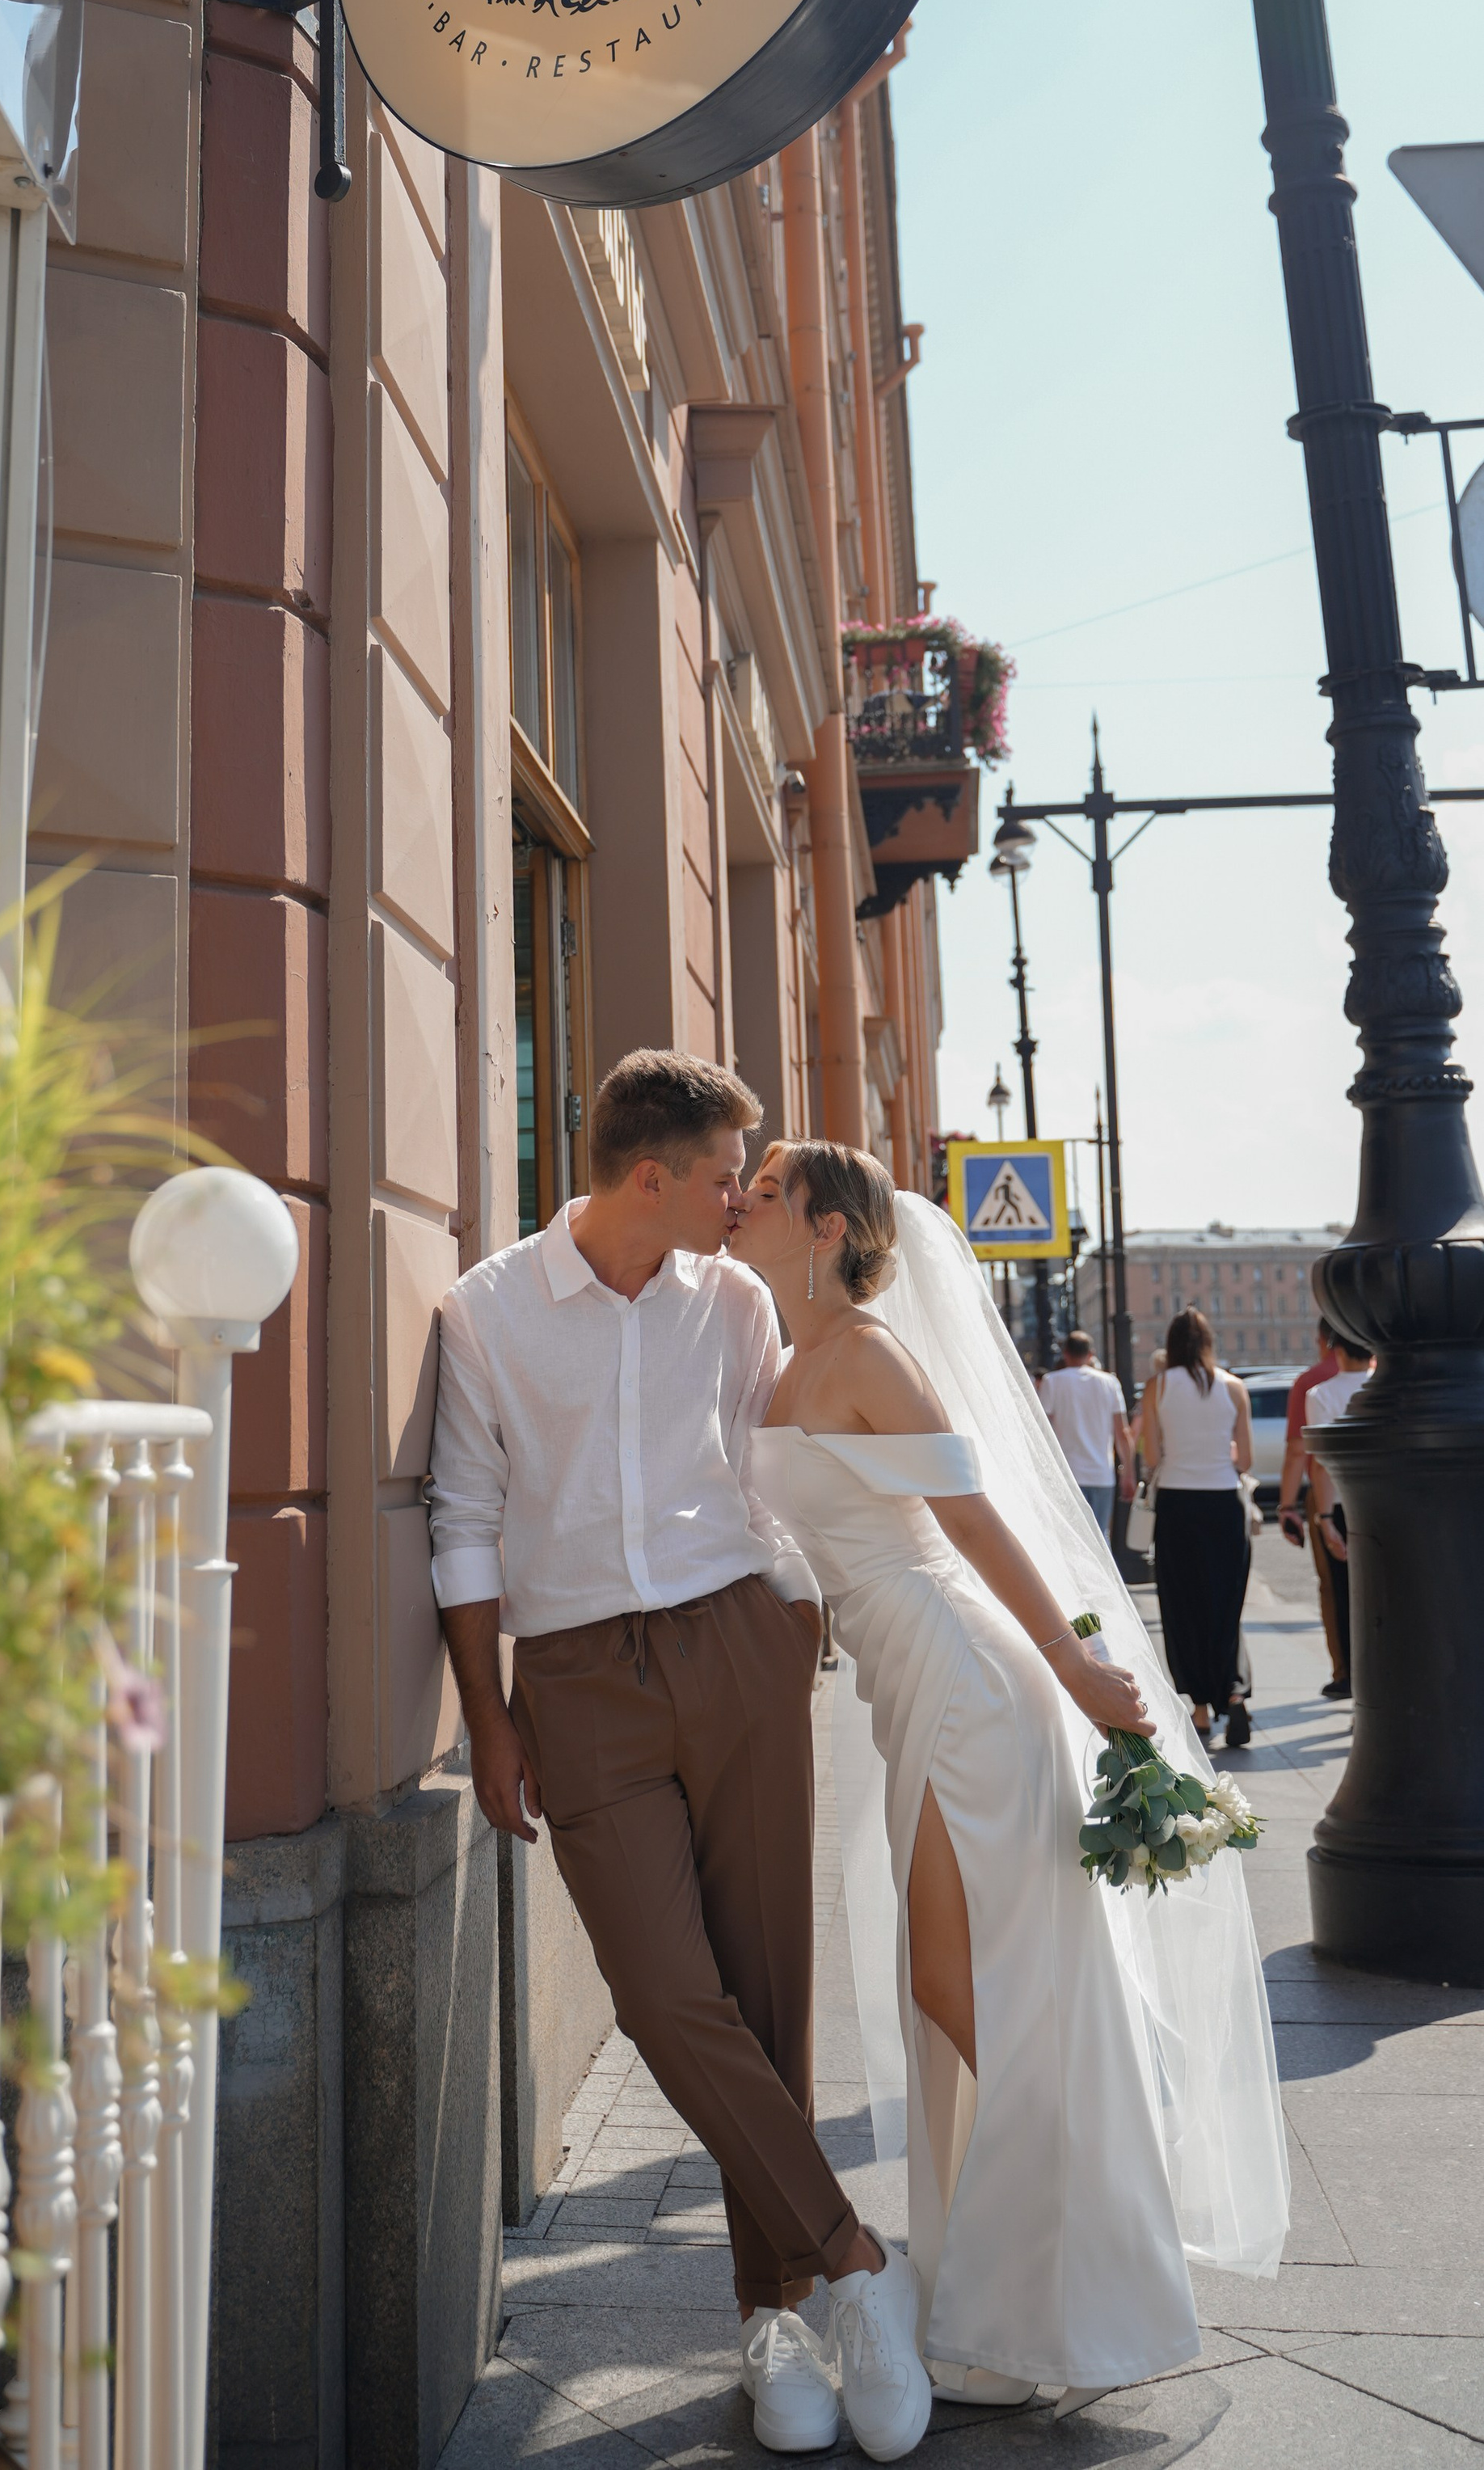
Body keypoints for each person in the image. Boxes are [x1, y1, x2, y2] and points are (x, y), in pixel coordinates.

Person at [731, 1143, 1289, 2413]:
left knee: (957, 1981)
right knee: (953, 1988)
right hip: (902, 1683)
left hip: (969, 1677)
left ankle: (1082, 2232)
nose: (741, 1202)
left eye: (764, 1190)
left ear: (824, 1228)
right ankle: (1021, 2272)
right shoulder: (780, 1360)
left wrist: (1082, 1674)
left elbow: (979, 1525)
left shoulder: (869, 1353)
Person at [427, 1052, 921, 2461]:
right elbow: (464, 1521)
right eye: (724, 1173)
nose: (740, 1195)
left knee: (767, 1989)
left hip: (739, 1648)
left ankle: (772, 2325)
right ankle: (855, 2264)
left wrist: (812, 1606)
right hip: (580, 1682)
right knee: (663, 1992)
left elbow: (784, 1451)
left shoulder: (739, 1298)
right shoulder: (490, 1313)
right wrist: (491, 1714)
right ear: (651, 1174)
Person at [1136, 1310, 1254, 1747]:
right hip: (1224, 1503)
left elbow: (1152, 1455)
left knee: (1183, 1607)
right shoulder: (1233, 1386)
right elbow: (1245, 1462)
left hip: (1178, 1505)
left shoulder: (1158, 1386)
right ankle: (1235, 1692)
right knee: (1225, 1606)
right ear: (1208, 1343)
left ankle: (1201, 1710)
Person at [1297, 1336, 1372, 1699]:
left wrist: (1325, 1518)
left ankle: (1355, 1681)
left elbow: (1323, 1463)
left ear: (1335, 1348)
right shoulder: (1387, 1385)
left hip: (1343, 1505)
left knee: (1346, 1595)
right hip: (1389, 1506)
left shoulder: (1321, 1395)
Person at [1279, 1320, 1347, 1697]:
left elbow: (1297, 1452)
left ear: (1324, 1340)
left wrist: (1287, 1505)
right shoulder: (1378, 1374)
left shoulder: (1312, 1383)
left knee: (1332, 1588)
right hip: (1378, 1499)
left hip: (1327, 1497)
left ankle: (1343, 1671)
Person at [1037, 1328, 1133, 1536]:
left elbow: (1042, 1428)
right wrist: (1128, 1473)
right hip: (1101, 1474)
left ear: (1066, 1354)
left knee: (1070, 1539)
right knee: (1100, 1538)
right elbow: (1122, 1432)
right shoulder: (1110, 1383)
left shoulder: (1052, 1381)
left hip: (1067, 1472)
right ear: (1091, 1354)